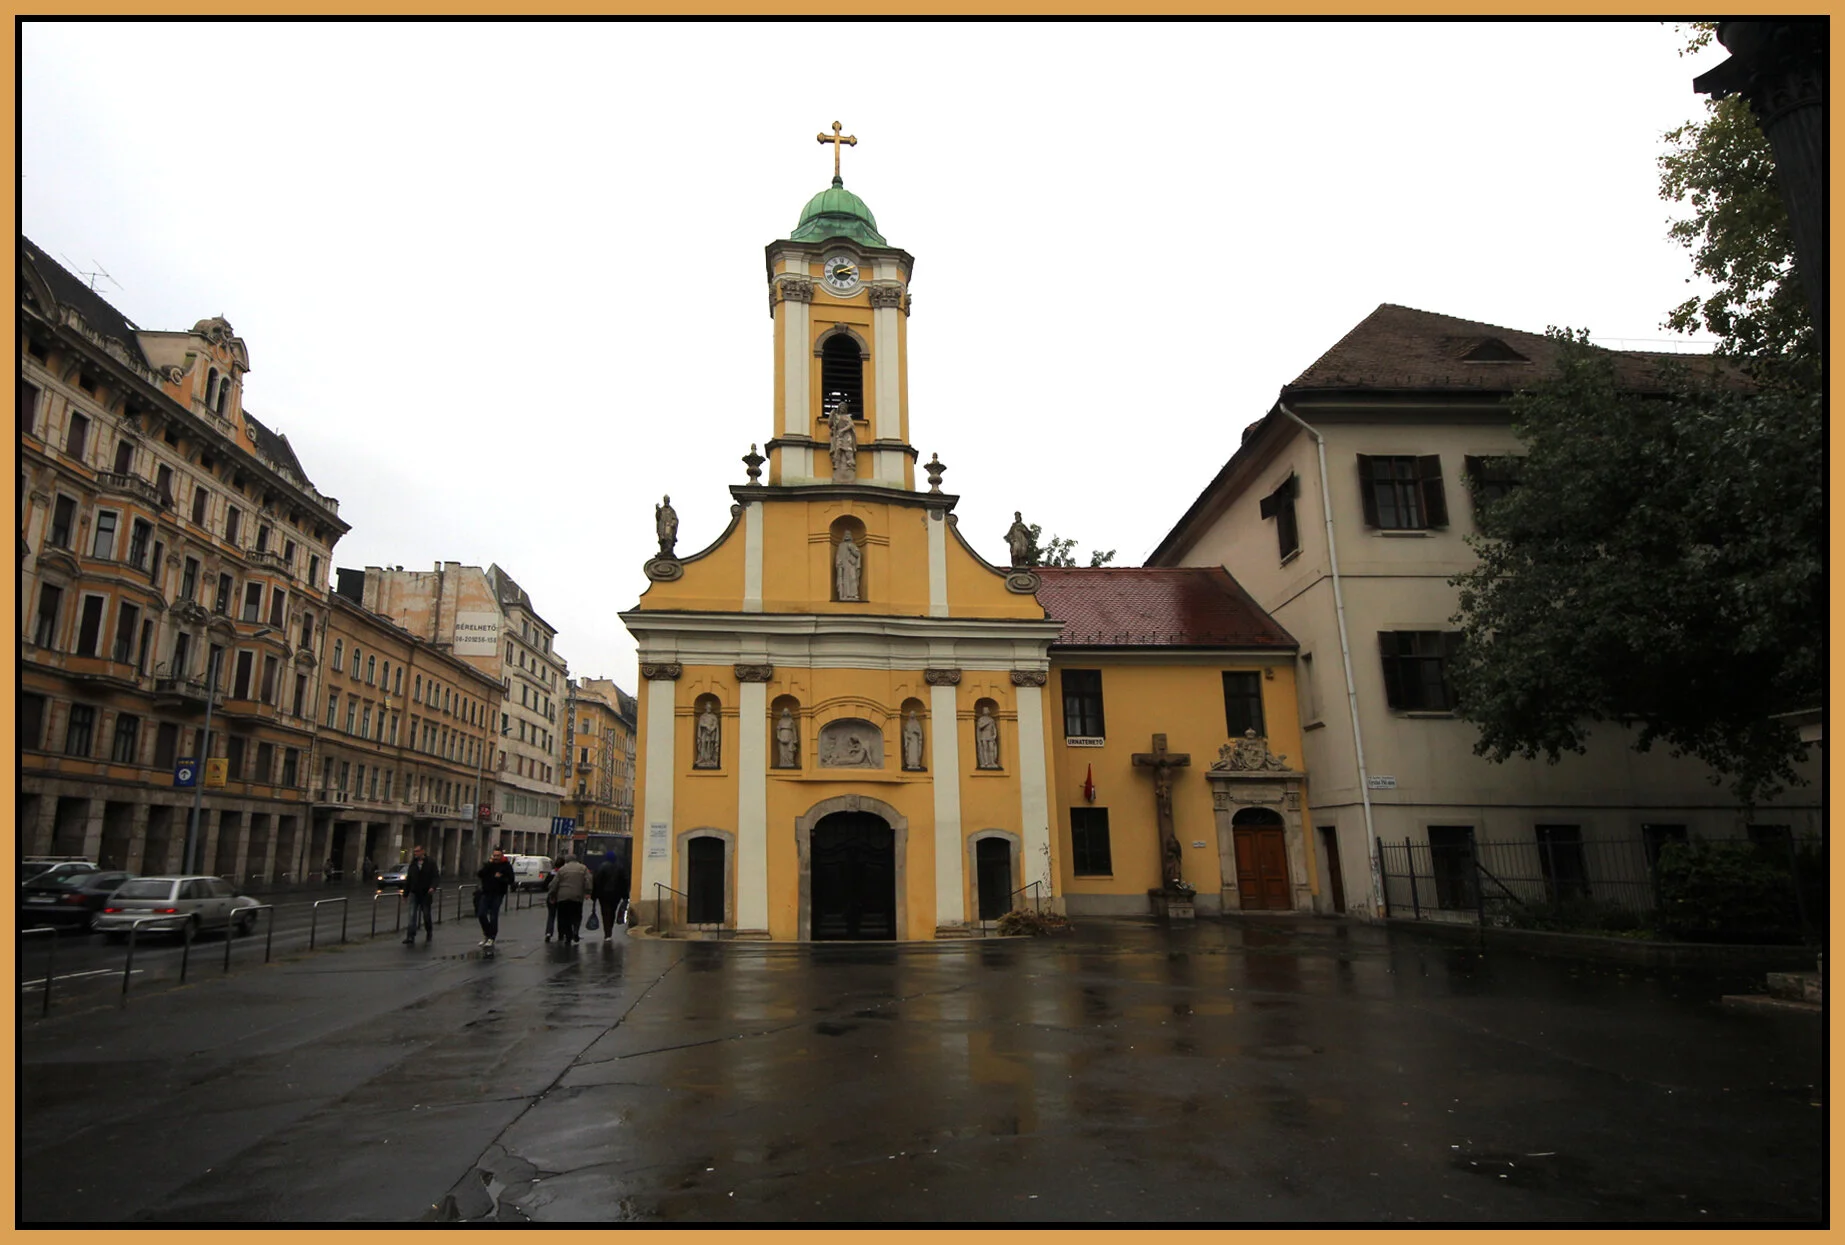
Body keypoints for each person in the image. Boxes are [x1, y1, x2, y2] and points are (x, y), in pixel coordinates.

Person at [475, 847, 516, 949]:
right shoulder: (489, 865)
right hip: (486, 892)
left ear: (502, 856)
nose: (496, 858)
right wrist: (488, 864)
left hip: (498, 894)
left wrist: (501, 878)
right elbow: (480, 874)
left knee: (493, 916)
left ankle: (492, 937)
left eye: (498, 856)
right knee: (481, 914)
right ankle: (487, 934)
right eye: (494, 855)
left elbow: (511, 880)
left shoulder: (506, 866)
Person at [549, 853, 593, 945]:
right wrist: (588, 892)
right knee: (577, 915)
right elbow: (588, 880)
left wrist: (552, 894)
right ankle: (576, 930)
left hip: (563, 897)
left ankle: (568, 935)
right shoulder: (583, 868)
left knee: (564, 917)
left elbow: (554, 883)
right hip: (577, 896)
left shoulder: (562, 869)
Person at [402, 845, 438, 944]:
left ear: (423, 851)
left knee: (426, 914)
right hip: (414, 893)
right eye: (415, 852)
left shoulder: (430, 862)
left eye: (417, 851)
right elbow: (409, 879)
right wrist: (405, 894)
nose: (416, 853)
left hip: (426, 893)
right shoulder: (413, 864)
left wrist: (433, 887)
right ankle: (410, 936)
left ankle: (429, 932)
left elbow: (436, 877)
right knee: (412, 915)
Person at [592, 849, 627, 940]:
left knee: (605, 912)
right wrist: (625, 895)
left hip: (603, 895)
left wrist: (594, 895)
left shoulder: (602, 867)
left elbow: (596, 881)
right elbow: (624, 882)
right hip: (616, 894)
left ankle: (607, 933)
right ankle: (610, 929)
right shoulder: (620, 867)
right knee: (612, 911)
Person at [544, 854, 568, 941]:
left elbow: (545, 885)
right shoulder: (565, 874)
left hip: (551, 897)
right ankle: (561, 933)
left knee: (551, 915)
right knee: (561, 916)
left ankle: (548, 933)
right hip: (562, 897)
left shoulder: (551, 873)